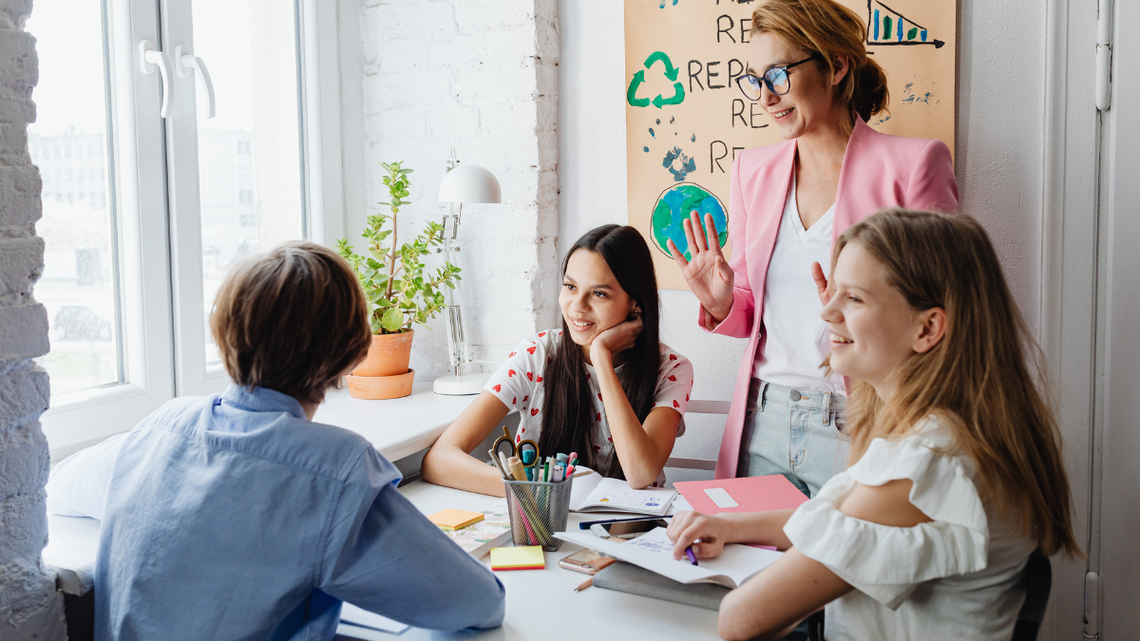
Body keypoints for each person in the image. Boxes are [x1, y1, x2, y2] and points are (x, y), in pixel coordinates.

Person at [46, 241, 506, 640]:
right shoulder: (335, 471)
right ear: (355, 351)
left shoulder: (159, 427)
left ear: (225, 331)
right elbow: (477, 605)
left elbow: (62, 486)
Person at [666, 211, 1080, 641]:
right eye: (833, 292)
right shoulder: (958, 430)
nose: (826, 312)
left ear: (929, 327)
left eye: (854, 299)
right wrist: (732, 526)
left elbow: (740, 619)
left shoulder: (925, 464)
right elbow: (844, 515)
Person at [668, 0, 959, 495]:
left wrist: (864, 311)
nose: (765, 97)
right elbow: (752, 310)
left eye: (778, 75)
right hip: (762, 420)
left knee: (849, 571)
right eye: (755, 80)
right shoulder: (751, 172)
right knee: (749, 570)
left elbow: (947, 310)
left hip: (861, 421)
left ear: (837, 66)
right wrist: (720, 303)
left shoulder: (913, 165)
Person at [422, 224, 693, 495]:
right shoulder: (537, 354)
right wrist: (538, 491)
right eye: (570, 286)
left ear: (636, 304)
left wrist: (601, 357)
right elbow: (439, 461)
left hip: (632, 532)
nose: (577, 306)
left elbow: (641, 474)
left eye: (599, 294)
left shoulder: (671, 368)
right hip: (545, 521)